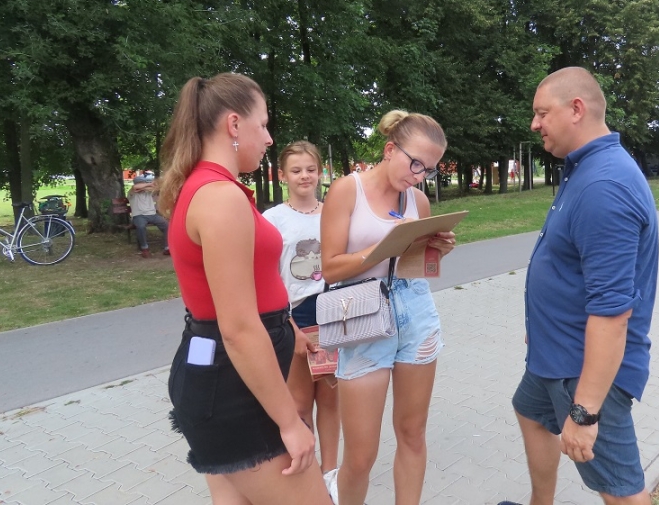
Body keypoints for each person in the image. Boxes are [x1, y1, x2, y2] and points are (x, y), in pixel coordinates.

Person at [158, 73, 329, 505]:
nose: (269, 138)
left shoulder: (206, 187)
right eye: (264, 124)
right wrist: (290, 422)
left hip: (219, 377)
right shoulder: (220, 197)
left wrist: (289, 327)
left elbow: (245, 291)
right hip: (235, 388)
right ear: (234, 124)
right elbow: (236, 327)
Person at [499, 67, 658, 505]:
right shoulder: (586, 168)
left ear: (576, 109)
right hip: (556, 355)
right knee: (530, 412)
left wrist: (585, 413)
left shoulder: (604, 185)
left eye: (541, 113)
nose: (534, 124)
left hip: (584, 370)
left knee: (621, 491)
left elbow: (612, 313)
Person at [320, 110, 457, 505]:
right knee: (361, 455)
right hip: (362, 314)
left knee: (412, 434)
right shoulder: (347, 190)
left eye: (428, 169)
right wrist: (383, 247)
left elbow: (418, 269)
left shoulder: (418, 200)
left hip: (414, 311)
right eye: (415, 163)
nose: (419, 175)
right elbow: (330, 268)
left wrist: (436, 251)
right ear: (390, 149)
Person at [263, 141, 341, 498]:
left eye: (311, 169)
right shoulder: (273, 220)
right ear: (282, 175)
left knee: (331, 398)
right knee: (299, 403)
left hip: (334, 313)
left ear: (321, 172)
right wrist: (288, 326)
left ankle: (331, 473)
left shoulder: (335, 213)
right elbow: (267, 277)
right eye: (296, 170)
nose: (304, 176)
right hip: (294, 317)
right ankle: (306, 475)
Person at [127, 175, 169, 257]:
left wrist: (153, 185)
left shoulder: (149, 192)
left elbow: (158, 187)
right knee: (141, 226)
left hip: (153, 215)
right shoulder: (132, 192)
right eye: (143, 183)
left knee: (167, 225)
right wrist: (149, 184)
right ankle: (144, 248)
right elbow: (135, 187)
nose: (145, 185)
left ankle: (167, 247)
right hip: (139, 215)